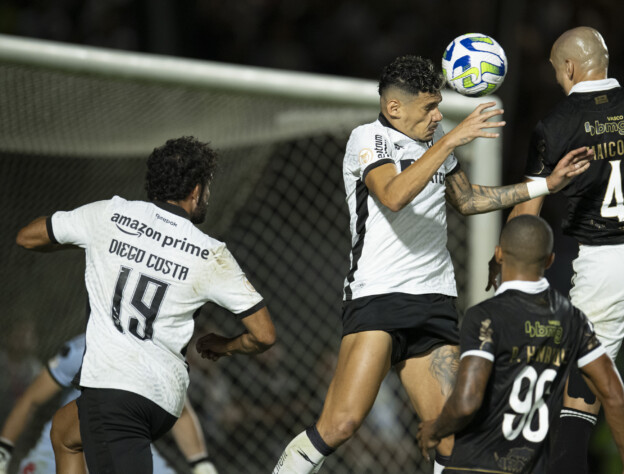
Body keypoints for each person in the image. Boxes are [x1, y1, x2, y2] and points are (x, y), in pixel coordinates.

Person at [272, 55, 592, 474]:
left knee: (452, 435)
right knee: (341, 424)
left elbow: (466, 200)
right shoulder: (368, 139)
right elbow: (392, 195)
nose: (438, 115)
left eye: (439, 106)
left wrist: (544, 184)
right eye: (429, 108)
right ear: (394, 108)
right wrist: (451, 139)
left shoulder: (436, 135)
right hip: (378, 297)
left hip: (435, 300)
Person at [488, 26, 624, 474]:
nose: (556, 79)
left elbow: (527, 214)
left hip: (602, 264)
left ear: (569, 67)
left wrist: (502, 265)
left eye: (556, 71)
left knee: (578, 402)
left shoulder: (554, 126)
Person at [15, 136, 277, 473]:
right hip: (164, 399)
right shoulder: (211, 253)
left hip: (114, 390)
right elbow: (264, 335)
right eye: (207, 187)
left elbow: (27, 237)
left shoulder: (110, 215)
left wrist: (83, 244)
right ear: (195, 190)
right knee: (65, 431)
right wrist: (225, 346)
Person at [418, 214, 624, 474]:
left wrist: (434, 429)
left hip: (474, 467)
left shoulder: (485, 316)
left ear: (499, 255)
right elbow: (615, 397)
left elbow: (467, 400)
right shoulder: (573, 320)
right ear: (549, 260)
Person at [0, 333, 218, 474]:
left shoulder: (161, 357)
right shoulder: (84, 349)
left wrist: (200, 462)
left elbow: (182, 411)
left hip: (127, 443)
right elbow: (31, 399)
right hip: (61, 450)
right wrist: (4, 451)